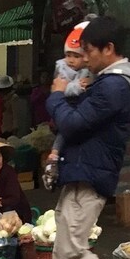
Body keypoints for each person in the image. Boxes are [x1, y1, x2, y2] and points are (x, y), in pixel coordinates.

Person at [38, 16, 130, 259]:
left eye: (89, 51)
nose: (84, 58)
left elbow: (72, 123)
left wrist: (56, 96)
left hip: (90, 174)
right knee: (63, 251)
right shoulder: (104, 82)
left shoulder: (114, 86)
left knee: (72, 251)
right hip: (81, 171)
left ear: (109, 49)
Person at [49, 21, 96, 166]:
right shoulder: (63, 69)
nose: (71, 60)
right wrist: (76, 86)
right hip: (68, 105)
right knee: (64, 131)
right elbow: (59, 88)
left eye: (76, 56)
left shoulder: (91, 71)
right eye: (68, 55)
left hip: (79, 109)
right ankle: (54, 153)